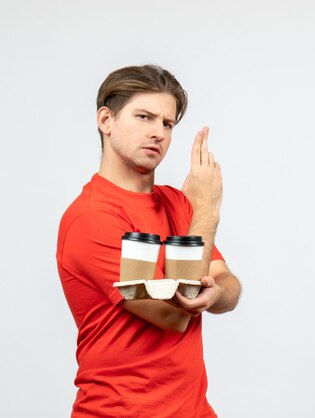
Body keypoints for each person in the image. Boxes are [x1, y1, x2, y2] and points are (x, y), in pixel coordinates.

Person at [56, 64, 241, 418]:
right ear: (106, 120)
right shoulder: (91, 218)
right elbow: (174, 315)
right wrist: (207, 212)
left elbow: (227, 286)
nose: (157, 132)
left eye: (167, 123)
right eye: (144, 117)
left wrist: (216, 293)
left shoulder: (176, 203)